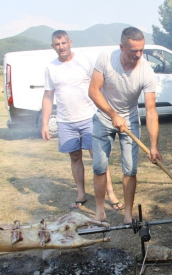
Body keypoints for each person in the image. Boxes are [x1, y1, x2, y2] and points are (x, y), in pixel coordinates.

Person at [42, 30, 123, 210]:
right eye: (57, 44)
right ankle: (81, 194)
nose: (61, 47)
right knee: (75, 157)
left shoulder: (85, 61)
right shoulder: (51, 68)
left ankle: (111, 194)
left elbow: (99, 86)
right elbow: (48, 96)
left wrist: (108, 111)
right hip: (66, 121)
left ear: (70, 42)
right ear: (53, 46)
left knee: (99, 158)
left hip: (89, 117)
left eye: (63, 43)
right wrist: (45, 124)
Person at [88, 27, 161, 224]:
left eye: (141, 50)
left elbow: (151, 110)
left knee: (130, 170)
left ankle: (127, 214)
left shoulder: (146, 71)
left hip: (129, 119)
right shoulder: (106, 59)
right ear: (122, 47)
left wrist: (153, 145)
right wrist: (112, 114)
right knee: (99, 167)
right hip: (104, 116)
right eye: (133, 51)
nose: (138, 55)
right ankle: (99, 211)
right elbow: (93, 91)